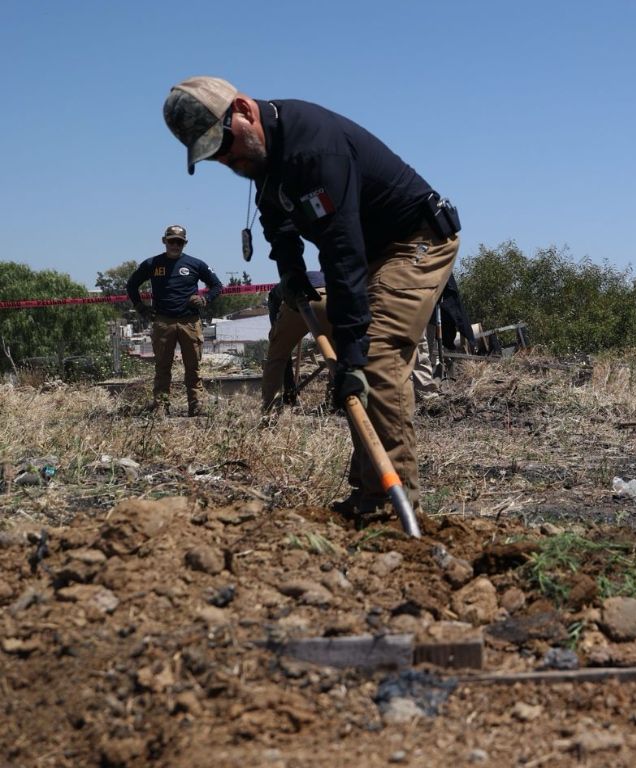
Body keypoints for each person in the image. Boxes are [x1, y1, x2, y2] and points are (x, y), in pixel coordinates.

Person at [163, 76, 461, 516]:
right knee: (357, 361)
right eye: (215, 157)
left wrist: (354, 355)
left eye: (225, 145)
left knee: (372, 361)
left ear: (243, 110)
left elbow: (343, 253)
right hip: (367, 249)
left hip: (411, 241)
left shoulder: (314, 149)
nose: (228, 159)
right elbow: (275, 219)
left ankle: (391, 505)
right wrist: (291, 272)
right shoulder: (265, 157)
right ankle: (368, 494)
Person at [127, 225, 223, 416]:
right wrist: (141, 308)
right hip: (163, 322)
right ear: (165, 241)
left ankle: (196, 405)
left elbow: (217, 285)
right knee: (162, 367)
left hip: (190, 322)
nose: (175, 245)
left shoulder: (196, 264)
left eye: (179, 242)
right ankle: (161, 406)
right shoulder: (151, 264)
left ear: (184, 243)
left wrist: (205, 299)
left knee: (193, 367)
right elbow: (131, 285)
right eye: (171, 241)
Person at [261, 270, 329, 411]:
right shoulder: (329, 276)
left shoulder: (275, 294)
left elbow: (275, 330)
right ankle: (335, 402)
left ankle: (270, 410)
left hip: (298, 301)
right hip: (327, 299)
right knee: (339, 355)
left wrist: (279, 340)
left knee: (277, 357)